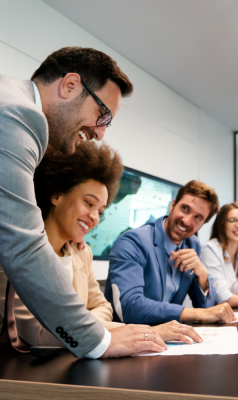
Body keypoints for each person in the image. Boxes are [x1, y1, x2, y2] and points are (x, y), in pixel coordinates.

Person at [0, 46, 166, 358]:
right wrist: (100, 341)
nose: (100, 133)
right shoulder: (17, 115)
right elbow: (22, 247)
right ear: (70, 85)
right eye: (102, 114)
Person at [11, 142, 202, 346]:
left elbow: (103, 306)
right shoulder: (23, 249)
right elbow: (40, 336)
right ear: (57, 194)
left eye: (100, 211)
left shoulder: (82, 253)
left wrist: (83, 324)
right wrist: (148, 332)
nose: (94, 217)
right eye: (89, 203)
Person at [105, 181, 235, 325]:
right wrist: (191, 312)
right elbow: (129, 308)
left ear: (202, 224)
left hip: (169, 338)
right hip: (130, 339)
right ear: (173, 205)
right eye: (185, 208)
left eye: (197, 217)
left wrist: (202, 275)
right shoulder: (132, 242)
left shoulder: (192, 244)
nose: (186, 220)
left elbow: (206, 310)